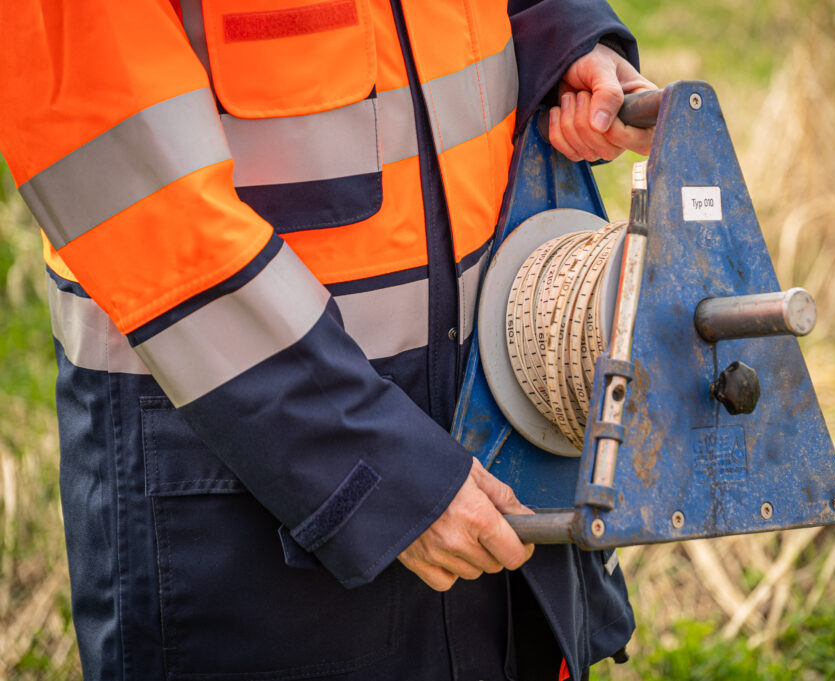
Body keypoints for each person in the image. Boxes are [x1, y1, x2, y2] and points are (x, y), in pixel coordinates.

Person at [0, 1, 655, 679]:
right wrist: (372, 466)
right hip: (248, 498)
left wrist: (558, 36)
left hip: (487, 444)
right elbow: (128, 179)